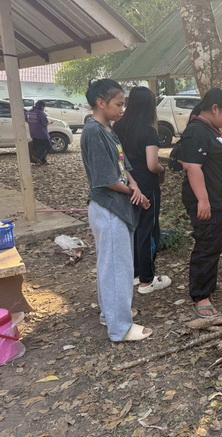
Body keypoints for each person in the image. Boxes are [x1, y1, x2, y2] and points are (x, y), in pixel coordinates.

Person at [81, 79, 152, 341]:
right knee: (116, 268)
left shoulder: (108, 129)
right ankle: (120, 327)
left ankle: (110, 314)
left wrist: (136, 187)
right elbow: (106, 179)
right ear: (101, 103)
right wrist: (133, 193)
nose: (123, 109)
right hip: (108, 208)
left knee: (112, 264)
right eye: (119, 104)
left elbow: (124, 167)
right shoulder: (93, 132)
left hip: (118, 206)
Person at [179, 88, 222, 318]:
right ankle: (200, 294)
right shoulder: (196, 131)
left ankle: (210, 283)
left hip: (220, 200)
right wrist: (203, 200)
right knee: (207, 245)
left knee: (216, 243)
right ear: (214, 108)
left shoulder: (211, 129)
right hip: (208, 201)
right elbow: (193, 167)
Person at [113, 87, 171, 295]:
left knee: (134, 229)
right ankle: (147, 280)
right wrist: (162, 170)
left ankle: (136, 272)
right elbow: (152, 164)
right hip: (146, 186)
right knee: (149, 230)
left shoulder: (118, 127)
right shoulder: (149, 131)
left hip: (127, 184)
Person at [25, 100, 52, 164]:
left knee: (38, 146)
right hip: (42, 133)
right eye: (44, 107)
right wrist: (50, 123)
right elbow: (45, 123)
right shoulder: (40, 113)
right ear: (42, 106)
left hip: (33, 133)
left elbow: (26, 119)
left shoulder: (29, 112)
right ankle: (37, 157)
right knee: (48, 146)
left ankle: (43, 161)